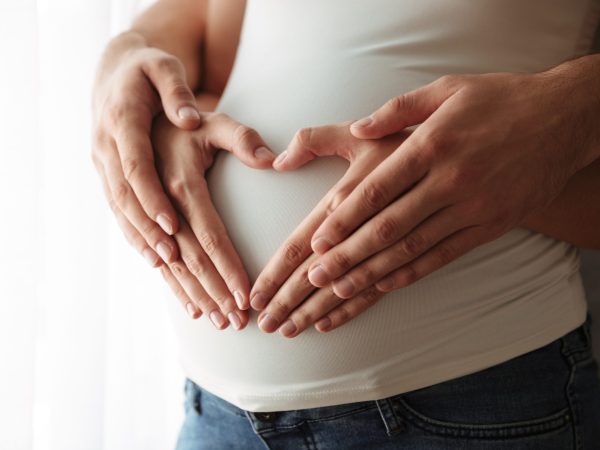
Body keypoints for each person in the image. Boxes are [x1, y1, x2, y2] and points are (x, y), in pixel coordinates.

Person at [92, 0, 600, 448]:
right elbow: (211, 39)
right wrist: (131, 58)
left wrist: (564, 119)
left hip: (468, 398)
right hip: (218, 414)